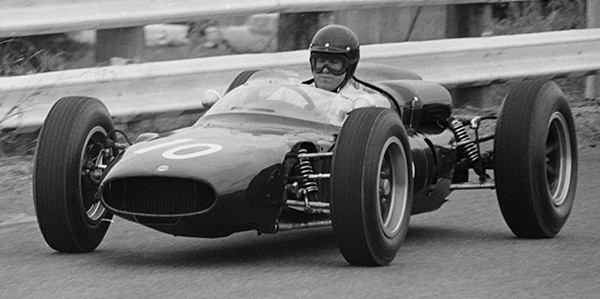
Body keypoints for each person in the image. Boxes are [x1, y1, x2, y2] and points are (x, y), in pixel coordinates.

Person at [307, 24, 389, 124]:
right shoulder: (297, 92)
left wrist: (363, 105)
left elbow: (381, 102)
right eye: (320, 61)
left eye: (334, 63)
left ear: (349, 68)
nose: (325, 70)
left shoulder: (354, 99)